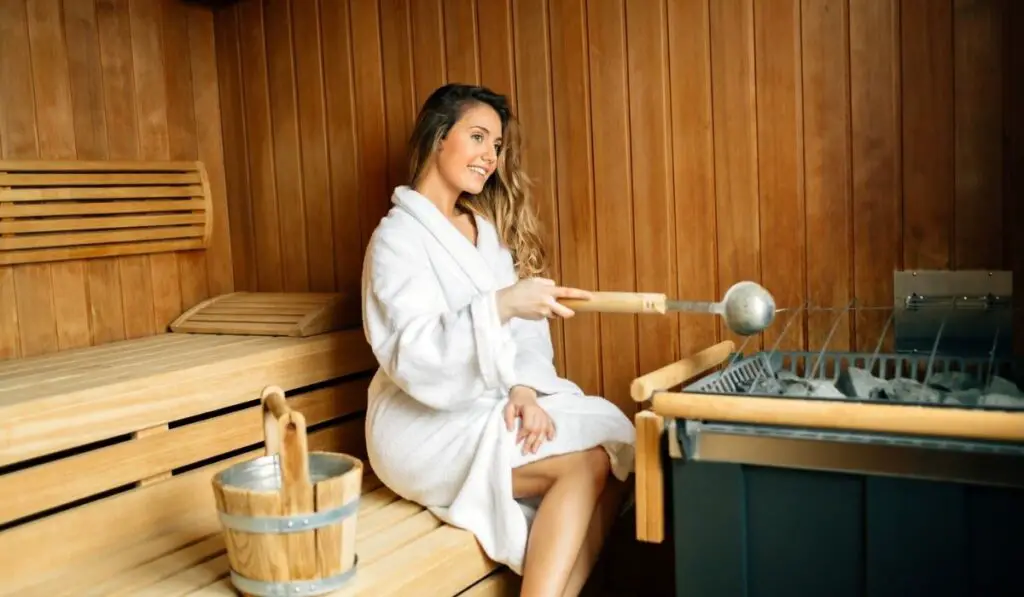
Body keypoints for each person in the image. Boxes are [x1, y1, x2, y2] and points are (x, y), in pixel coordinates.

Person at [361, 83, 636, 597]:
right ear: (438, 136)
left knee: (615, 450)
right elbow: (412, 353)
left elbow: (525, 336)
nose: (490, 156)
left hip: (493, 402)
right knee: (583, 466)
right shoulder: (397, 239)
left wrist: (525, 390)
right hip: (420, 423)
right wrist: (501, 305)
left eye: (497, 145)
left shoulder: (484, 232)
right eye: (478, 137)